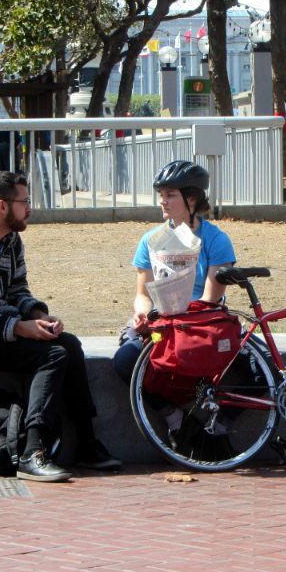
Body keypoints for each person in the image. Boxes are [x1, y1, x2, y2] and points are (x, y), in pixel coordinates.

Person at [0, 171, 121, 482]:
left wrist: (39, 315)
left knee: (68, 344)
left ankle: (87, 444)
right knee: (52, 355)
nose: (30, 208)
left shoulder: (10, 239)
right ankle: (32, 452)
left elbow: (17, 290)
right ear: (3, 205)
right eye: (25, 201)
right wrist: (20, 328)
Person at [112, 160, 236, 448]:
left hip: (201, 323)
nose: (163, 202)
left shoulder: (217, 240)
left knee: (260, 369)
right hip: (162, 325)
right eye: (161, 195)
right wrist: (142, 314)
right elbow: (142, 294)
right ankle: (174, 420)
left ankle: (218, 430)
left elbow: (210, 299)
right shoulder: (151, 240)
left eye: (170, 195)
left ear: (191, 199)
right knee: (125, 359)